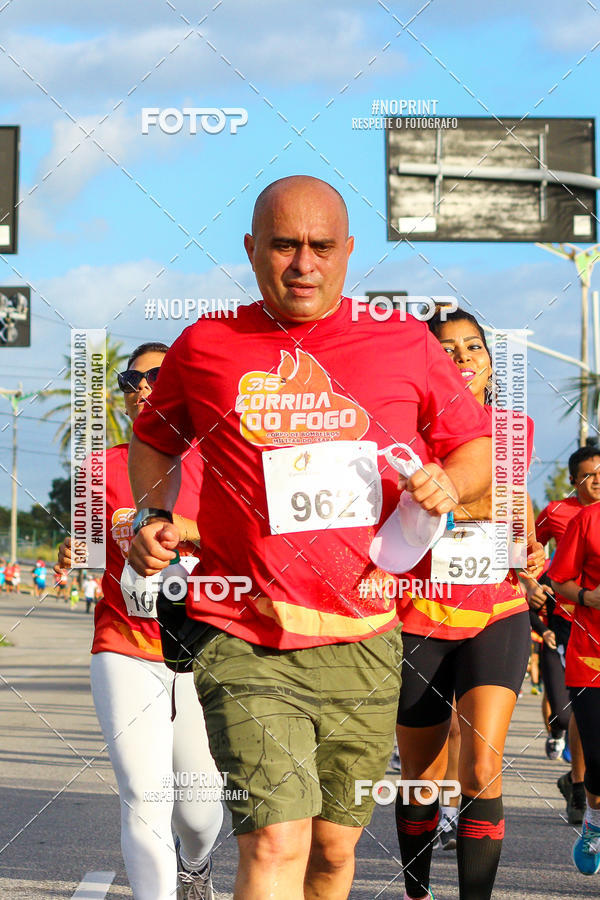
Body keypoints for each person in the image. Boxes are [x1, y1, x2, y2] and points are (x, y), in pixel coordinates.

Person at [126, 175, 494, 900]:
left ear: (348, 251)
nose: (304, 264)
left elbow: (474, 450)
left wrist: (449, 484)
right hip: (244, 630)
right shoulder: (207, 345)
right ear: (251, 249)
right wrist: (150, 517)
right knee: (274, 841)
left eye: (321, 246)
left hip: (364, 635)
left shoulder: (402, 344)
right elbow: (154, 442)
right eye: (284, 245)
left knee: (330, 851)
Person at [55, 342, 222, 900]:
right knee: (145, 795)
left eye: (157, 376)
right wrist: (71, 551)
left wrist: (180, 529)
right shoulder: (98, 467)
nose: (142, 388)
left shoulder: (224, 460)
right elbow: (85, 544)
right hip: (125, 644)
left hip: (205, 650)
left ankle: (195, 867)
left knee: (199, 816)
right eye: (131, 380)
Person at [393, 308, 544, 900]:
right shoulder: (402, 433)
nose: (463, 359)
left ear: (489, 359)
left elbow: (506, 503)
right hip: (417, 615)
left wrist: (526, 544)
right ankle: (416, 890)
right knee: (421, 778)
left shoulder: (513, 427)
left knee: (481, 769)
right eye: (448, 349)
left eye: (473, 347)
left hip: (497, 611)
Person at [535, 445, 600, 823]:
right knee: (568, 712)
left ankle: (581, 787)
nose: (596, 481)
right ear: (574, 479)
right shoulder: (560, 513)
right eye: (589, 475)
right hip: (569, 623)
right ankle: (582, 782)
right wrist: (531, 581)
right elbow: (530, 546)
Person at [548, 502, 600, 876]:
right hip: (591, 657)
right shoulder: (588, 519)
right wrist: (586, 597)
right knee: (598, 758)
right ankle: (594, 823)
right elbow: (558, 578)